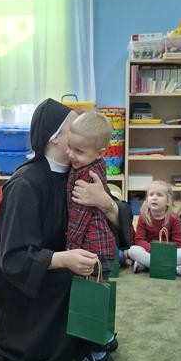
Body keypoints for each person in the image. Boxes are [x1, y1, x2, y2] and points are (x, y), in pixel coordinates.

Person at [0, 98, 132, 361]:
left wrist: (105, 202)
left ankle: (90, 334)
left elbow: (121, 220)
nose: (82, 131)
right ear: (56, 138)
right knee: (74, 274)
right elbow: (13, 258)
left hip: (64, 260)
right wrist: (65, 259)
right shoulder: (25, 185)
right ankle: (78, 340)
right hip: (27, 278)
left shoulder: (83, 171)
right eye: (74, 127)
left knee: (102, 263)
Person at [66, 110, 116, 278]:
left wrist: (70, 247)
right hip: (98, 248)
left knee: (88, 291)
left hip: (92, 250)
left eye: (78, 151)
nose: (70, 154)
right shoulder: (93, 163)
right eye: (69, 146)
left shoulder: (87, 177)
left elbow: (79, 216)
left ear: (100, 153)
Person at [126, 180, 181, 277]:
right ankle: (174, 269)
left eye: (159, 195)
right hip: (149, 251)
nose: (154, 197)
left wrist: (163, 251)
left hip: (167, 252)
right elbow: (139, 240)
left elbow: (178, 244)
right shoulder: (143, 216)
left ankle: (146, 265)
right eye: (151, 195)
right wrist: (154, 250)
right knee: (132, 250)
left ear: (168, 201)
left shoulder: (174, 219)